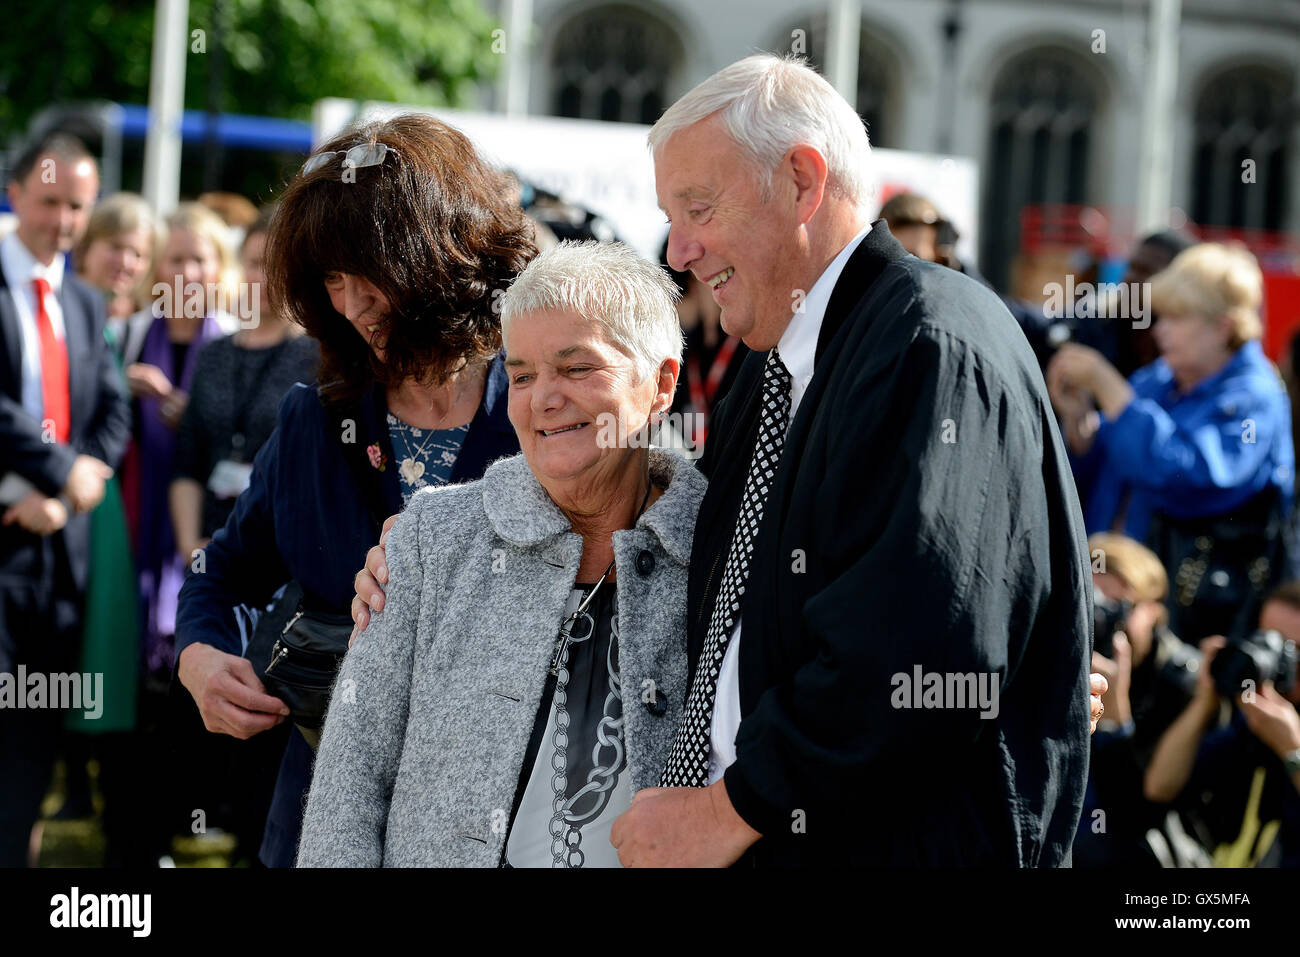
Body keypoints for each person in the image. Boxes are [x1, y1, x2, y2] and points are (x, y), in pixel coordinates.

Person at [356, 55, 1101, 867]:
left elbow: (921, 649)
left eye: (698, 208)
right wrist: (432, 548)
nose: (679, 251)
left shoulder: (926, 345)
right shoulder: (775, 362)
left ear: (803, 181)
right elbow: (687, 530)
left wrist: (733, 807)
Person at [174, 113, 534, 868]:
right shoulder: (315, 418)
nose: (351, 304)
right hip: (320, 821)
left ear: (442, 250)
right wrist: (200, 655)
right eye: (330, 282)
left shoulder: (542, 413)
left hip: (497, 827)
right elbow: (222, 569)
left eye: (366, 271)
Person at [298, 240, 703, 867]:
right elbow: (352, 773)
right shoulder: (435, 537)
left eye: (576, 368)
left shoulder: (719, 545)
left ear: (661, 383)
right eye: (520, 375)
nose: (542, 397)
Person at [1047, 243, 1294, 642]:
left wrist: (1109, 388)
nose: (1159, 328)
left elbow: (1189, 475)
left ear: (1223, 326)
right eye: (1160, 315)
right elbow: (1106, 468)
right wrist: (1079, 431)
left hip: (1199, 622)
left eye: (1177, 317)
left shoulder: (1256, 396)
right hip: (1113, 593)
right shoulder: (1157, 380)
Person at [0, 133, 131, 865]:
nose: (63, 219)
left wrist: (70, 498)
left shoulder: (83, 303)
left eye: (77, 206)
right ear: (14, 193)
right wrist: (59, 468)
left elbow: (111, 417)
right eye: (50, 201)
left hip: (56, 556)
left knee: (32, 746)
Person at [122, 202, 236, 689]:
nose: (186, 272)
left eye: (198, 259)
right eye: (174, 259)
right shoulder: (131, 334)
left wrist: (188, 412)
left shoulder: (234, 339)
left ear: (218, 268)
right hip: (136, 512)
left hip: (207, 523)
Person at [1143, 582, 1300, 866]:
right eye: (1268, 640)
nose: (1276, 656)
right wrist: (1207, 698)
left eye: (1293, 649)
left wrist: (1293, 750)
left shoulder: (1277, 727)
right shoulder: (1253, 719)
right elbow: (1159, 787)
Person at [1073, 533, 1200, 868]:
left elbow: (1138, 816)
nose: (1101, 620)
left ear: (1154, 611)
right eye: (1093, 606)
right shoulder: (1063, 655)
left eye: (1118, 608)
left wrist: (1115, 717)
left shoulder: (1181, 682)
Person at [73, 192, 157, 357]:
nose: (125, 262)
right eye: (116, 247)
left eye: (138, 254)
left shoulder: (151, 326)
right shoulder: (56, 308)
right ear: (85, 248)